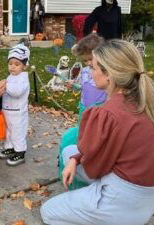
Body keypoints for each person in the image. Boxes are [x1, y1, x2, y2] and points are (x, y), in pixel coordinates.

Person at [41, 39, 154, 225]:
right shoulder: (148, 102)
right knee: (69, 153)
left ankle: (95, 209)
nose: (89, 71)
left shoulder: (108, 112)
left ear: (109, 76)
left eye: (94, 67)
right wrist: (75, 159)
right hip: (150, 196)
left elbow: (94, 168)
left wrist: (79, 159)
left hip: (125, 202)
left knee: (48, 212)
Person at [58, 33, 107, 189]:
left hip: (98, 109)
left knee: (92, 139)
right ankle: (72, 164)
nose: (87, 63)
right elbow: (83, 86)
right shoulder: (86, 71)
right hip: (84, 108)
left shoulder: (105, 73)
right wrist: (74, 85)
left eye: (90, 59)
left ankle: (88, 168)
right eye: (85, 60)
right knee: (80, 135)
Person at [0, 44, 30, 166]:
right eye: (10, 63)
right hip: (8, 110)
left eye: (17, 64)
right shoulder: (10, 77)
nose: (13, 67)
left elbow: (16, 92)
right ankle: (10, 147)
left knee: (17, 132)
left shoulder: (23, 78)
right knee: (9, 131)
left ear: (24, 66)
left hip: (18, 113)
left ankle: (20, 152)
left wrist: (5, 85)